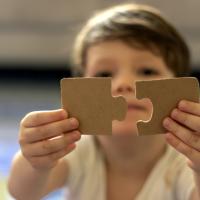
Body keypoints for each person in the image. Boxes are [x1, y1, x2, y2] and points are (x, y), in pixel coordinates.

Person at [7, 3, 200, 200]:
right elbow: (23, 193)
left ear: (179, 86)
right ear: (82, 89)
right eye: (104, 74)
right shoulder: (77, 148)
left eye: (147, 71)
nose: (124, 84)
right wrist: (35, 163)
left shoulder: (184, 160)